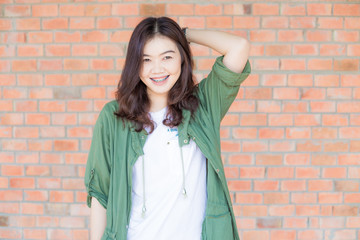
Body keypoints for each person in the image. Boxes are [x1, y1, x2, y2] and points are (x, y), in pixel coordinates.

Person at [84, 16, 251, 240]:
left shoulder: (203, 106)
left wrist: (185, 34)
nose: (157, 69)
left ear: (182, 58)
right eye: (146, 60)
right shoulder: (113, 117)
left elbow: (238, 48)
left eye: (167, 57)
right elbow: (100, 194)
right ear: (135, 65)